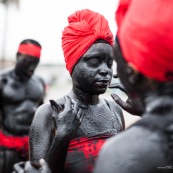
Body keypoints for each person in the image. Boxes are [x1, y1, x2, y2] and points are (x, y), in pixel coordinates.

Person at [29, 9, 125, 173]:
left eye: (109, 63)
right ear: (72, 66)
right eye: (94, 61)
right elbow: (37, 171)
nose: (105, 70)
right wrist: (62, 137)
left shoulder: (114, 110)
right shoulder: (49, 113)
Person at [94, 0, 173, 173]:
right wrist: (148, 110)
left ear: (132, 73)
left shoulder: (123, 154)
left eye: (113, 61)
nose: (106, 71)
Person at [0, 39, 46, 173]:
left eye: (35, 63)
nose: (32, 67)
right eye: (28, 62)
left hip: (33, 145)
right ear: (17, 56)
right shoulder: (3, 81)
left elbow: (42, 113)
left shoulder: (39, 82)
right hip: (7, 146)